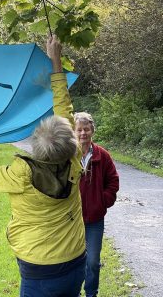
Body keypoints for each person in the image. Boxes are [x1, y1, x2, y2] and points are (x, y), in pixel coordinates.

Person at [0, 35, 86, 297]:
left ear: (36, 146)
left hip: (38, 264)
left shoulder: (21, 172)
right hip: (76, 257)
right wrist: (55, 62)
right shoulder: (74, 157)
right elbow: (65, 109)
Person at [74, 112, 119, 297]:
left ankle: (91, 293)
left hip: (94, 220)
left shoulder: (103, 155)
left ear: (92, 130)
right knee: (72, 261)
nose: (83, 133)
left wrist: (102, 202)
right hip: (71, 220)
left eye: (86, 129)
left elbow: (113, 181)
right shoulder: (68, 155)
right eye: (79, 129)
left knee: (92, 261)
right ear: (73, 131)